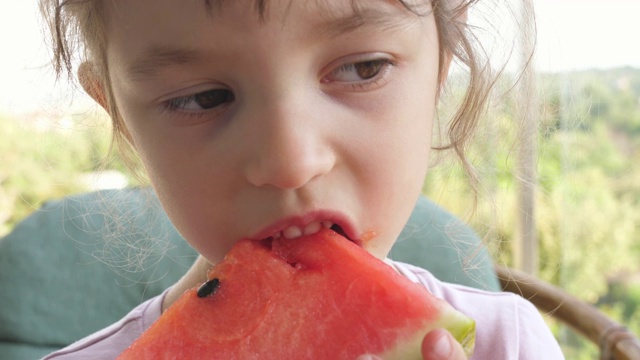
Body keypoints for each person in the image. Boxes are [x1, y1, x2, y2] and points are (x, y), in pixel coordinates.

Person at [39, 0, 563, 359]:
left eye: (363, 68)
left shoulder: (511, 344)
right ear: (122, 121)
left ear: (441, 68)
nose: (292, 161)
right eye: (202, 98)